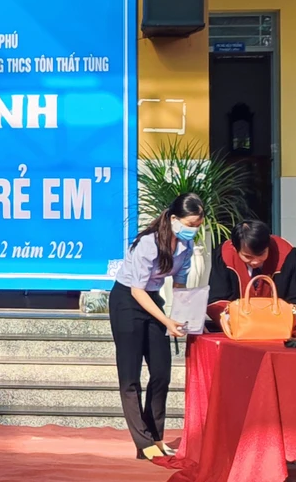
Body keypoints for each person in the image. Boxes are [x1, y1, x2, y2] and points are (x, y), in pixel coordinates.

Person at [109, 192, 204, 460]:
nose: (193, 230)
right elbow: (137, 290)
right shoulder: (148, 243)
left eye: (198, 225)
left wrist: (185, 316)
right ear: (174, 219)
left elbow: (180, 283)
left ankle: (156, 437)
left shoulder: (186, 246)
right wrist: (166, 321)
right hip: (127, 300)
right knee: (130, 377)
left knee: (161, 372)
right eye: (190, 224)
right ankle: (143, 442)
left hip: (152, 299)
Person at [207, 220, 296, 335]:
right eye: (248, 256)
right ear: (235, 249)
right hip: (239, 329)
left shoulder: (288, 255)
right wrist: (239, 321)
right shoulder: (225, 255)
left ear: (268, 245)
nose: (255, 261)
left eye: (261, 254)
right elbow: (216, 301)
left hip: (279, 329)